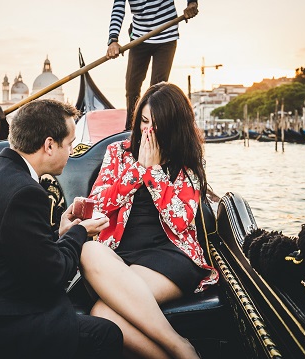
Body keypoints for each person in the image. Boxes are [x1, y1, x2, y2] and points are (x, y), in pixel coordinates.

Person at [0, 99, 122, 358]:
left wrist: (61, 232)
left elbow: (20, 249)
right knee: (105, 334)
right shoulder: (24, 191)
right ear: (49, 145)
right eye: (70, 143)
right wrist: (80, 233)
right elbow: (53, 275)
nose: (72, 151)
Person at [80, 82, 218, 359]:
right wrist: (135, 172)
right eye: (143, 121)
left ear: (173, 127)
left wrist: (154, 173)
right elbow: (99, 204)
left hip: (170, 255)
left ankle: (182, 350)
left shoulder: (185, 162)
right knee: (90, 250)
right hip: (118, 254)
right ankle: (181, 349)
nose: (147, 131)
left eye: (156, 125)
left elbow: (181, 222)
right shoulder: (118, 153)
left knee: (102, 313)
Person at [106, 0, 199, 130]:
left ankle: (155, 126)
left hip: (166, 35)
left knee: (157, 87)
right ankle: (131, 129)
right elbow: (118, 8)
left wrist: (192, 3)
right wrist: (113, 40)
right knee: (132, 86)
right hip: (139, 37)